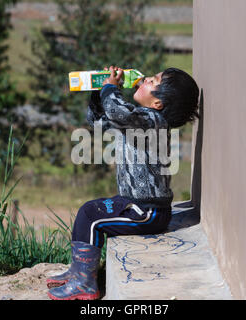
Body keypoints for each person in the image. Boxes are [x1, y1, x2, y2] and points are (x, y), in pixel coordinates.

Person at [46, 66, 200, 300]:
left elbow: (118, 112)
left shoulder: (154, 121)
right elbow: (100, 123)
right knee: (89, 211)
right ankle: (80, 272)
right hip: (135, 204)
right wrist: (99, 93)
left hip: (148, 212)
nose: (146, 78)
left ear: (158, 103)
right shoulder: (139, 120)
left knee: (90, 216)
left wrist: (111, 88)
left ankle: (85, 285)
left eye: (154, 81)